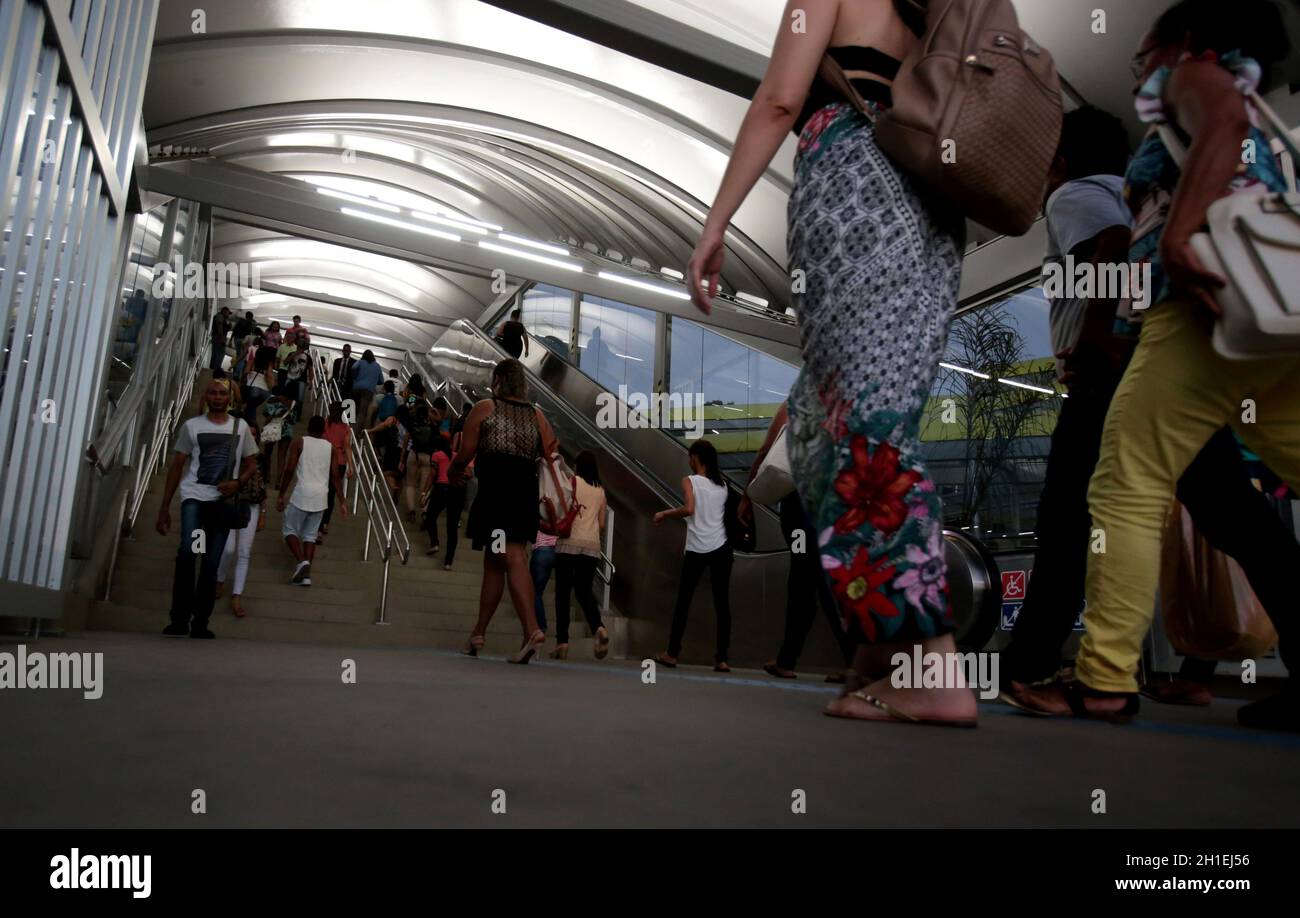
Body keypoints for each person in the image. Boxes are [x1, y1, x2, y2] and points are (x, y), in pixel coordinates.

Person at [1012, 0, 1298, 729]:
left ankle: (1104, 680)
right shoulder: (1261, 109)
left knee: (1127, 483)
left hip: (1198, 310)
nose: (1138, 63)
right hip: (1268, 311)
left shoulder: (1193, 79)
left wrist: (1174, 241)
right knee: (1250, 510)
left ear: (1188, 41)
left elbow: (1219, 129)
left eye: (1145, 48)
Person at [687, 0, 971, 723]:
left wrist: (715, 225)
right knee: (819, 426)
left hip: (854, 191)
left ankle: (928, 662)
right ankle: (878, 650)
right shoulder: (935, 9)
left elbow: (781, 98)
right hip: (933, 204)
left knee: (867, 426)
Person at [449, 358, 557, 663]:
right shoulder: (537, 416)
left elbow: (466, 451)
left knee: (510, 555)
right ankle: (478, 633)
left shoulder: (485, 408)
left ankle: (532, 629)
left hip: (496, 492)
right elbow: (552, 454)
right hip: (524, 492)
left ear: (497, 379)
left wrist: (454, 472)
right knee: (495, 560)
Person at [740, 404, 854, 681]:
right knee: (804, 580)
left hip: (802, 504)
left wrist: (747, 494)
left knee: (819, 579)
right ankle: (786, 659)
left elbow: (767, 450)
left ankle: (856, 661)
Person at [155, 378, 259, 638]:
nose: (217, 397)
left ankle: (200, 621)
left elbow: (251, 464)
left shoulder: (241, 427)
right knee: (188, 553)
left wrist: (238, 483)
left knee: (212, 561)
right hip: (194, 497)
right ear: (206, 397)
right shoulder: (191, 426)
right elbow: (177, 466)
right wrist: (164, 506)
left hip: (221, 503)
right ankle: (179, 619)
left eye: (222, 394)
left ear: (229, 399)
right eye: (212, 393)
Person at [653, 440, 733, 672]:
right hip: (721, 547)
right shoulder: (723, 485)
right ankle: (722, 658)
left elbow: (689, 509)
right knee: (722, 604)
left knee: (683, 602)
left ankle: (672, 654)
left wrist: (664, 513)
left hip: (697, 549)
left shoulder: (690, 481)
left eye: (690, 457)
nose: (689, 461)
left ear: (695, 458)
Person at [551, 450, 610, 660]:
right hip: (592, 546)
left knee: (563, 593)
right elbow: (602, 524)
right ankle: (599, 628)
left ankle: (562, 643)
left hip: (569, 543)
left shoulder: (573, 481)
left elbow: (562, 503)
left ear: (579, 466)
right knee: (583, 591)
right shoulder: (600, 491)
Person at [277, 415, 347, 586]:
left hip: (302, 492)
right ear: (324, 430)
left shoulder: (299, 442)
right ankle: (306, 576)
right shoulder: (330, 448)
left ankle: (302, 563)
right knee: (310, 535)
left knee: (289, 530)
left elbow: (289, 469)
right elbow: (336, 476)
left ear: (308, 427)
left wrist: (281, 494)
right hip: (321, 496)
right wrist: (342, 500)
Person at [215, 425, 267, 619]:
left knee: (244, 552)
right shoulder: (229, 455)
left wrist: (263, 512)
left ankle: (237, 596)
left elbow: (262, 488)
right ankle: (219, 579)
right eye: (249, 434)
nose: (251, 437)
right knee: (228, 548)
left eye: (254, 435)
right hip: (229, 503)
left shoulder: (260, 459)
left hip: (251, 505)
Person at [320, 401, 354, 540]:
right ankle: (325, 523)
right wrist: (351, 466)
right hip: (339, 462)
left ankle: (318, 523)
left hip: (323, 459)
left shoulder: (323, 423)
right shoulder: (345, 428)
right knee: (331, 494)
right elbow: (347, 447)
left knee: (321, 491)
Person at [422, 434, 457, 557]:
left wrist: (424, 492)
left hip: (440, 488)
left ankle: (434, 543)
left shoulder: (436, 455)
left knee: (431, 517)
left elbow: (432, 475)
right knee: (452, 525)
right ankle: (449, 560)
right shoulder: (455, 455)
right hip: (454, 489)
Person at [258, 384, 297, 485]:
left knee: (268, 453)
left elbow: (266, 413)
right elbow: (293, 420)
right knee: (282, 455)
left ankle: (267, 477)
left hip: (272, 427)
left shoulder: (273, 399)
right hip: (287, 429)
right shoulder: (293, 403)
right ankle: (278, 481)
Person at [530, 528, 557, 636]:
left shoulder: (538, 510)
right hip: (559, 550)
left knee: (535, 593)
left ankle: (541, 627)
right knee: (562, 595)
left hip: (541, 550)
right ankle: (562, 634)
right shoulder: (564, 510)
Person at [350, 348, 384, 424]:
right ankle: (356, 431)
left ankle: (350, 425)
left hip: (356, 388)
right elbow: (381, 381)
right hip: (368, 391)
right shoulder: (377, 366)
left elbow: (353, 368)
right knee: (362, 412)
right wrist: (374, 380)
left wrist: (355, 376)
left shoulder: (360, 362)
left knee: (353, 409)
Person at [283, 339, 312, 422]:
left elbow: (310, 369)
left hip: (301, 380)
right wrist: (295, 354)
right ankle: (284, 413)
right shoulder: (292, 354)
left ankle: (296, 416)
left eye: (302, 346)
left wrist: (311, 381)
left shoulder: (308, 357)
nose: (300, 348)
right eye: (299, 346)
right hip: (289, 377)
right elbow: (285, 362)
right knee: (286, 396)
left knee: (299, 399)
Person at [209, 306, 231, 371]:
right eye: (228, 313)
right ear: (224, 311)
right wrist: (222, 339)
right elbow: (220, 327)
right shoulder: (220, 316)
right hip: (218, 338)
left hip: (217, 337)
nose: (228, 314)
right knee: (220, 353)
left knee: (216, 353)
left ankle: (213, 367)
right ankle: (216, 368)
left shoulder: (220, 317)